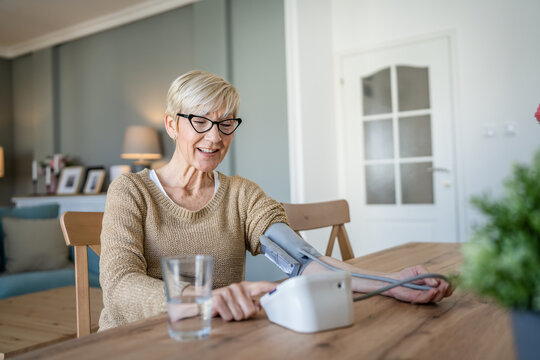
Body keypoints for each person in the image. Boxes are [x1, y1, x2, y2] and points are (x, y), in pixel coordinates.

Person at [99, 70, 453, 331]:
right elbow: (118, 284)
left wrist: (395, 283)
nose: (215, 136)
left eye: (226, 124)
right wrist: (201, 300)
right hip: (136, 343)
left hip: (214, 339)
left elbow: (303, 261)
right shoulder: (131, 191)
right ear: (172, 124)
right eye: (200, 121)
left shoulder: (241, 194)